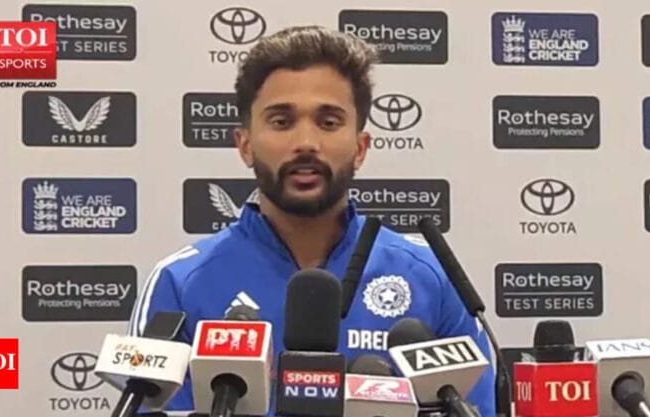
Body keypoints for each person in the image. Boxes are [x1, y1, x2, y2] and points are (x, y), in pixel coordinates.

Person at [128, 25, 496, 416]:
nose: (306, 142)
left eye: (329, 122)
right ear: (245, 145)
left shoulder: (429, 276)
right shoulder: (181, 282)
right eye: (281, 122)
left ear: (360, 147)